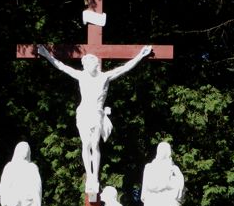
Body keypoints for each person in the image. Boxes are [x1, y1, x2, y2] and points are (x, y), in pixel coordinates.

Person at [37, 45, 152, 195]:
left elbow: (124, 68)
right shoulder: (82, 76)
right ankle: (89, 175)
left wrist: (140, 56)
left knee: (95, 144)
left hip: (97, 113)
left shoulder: (104, 77)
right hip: (84, 113)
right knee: (86, 144)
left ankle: (95, 175)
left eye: (94, 64)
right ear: (85, 65)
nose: (93, 66)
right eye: (90, 64)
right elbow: (61, 66)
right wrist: (47, 55)